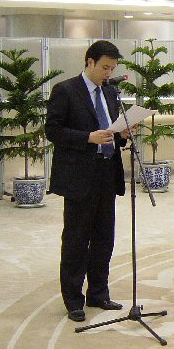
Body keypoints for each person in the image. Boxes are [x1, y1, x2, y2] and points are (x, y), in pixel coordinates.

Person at [45, 40, 134, 322]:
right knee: (76, 238)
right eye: (105, 67)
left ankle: (98, 293)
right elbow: (53, 131)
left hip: (107, 172)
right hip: (79, 175)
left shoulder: (109, 92)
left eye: (112, 68)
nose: (108, 73)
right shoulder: (65, 90)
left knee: (104, 237)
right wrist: (88, 138)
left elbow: (110, 130)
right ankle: (73, 299)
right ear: (90, 62)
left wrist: (121, 135)